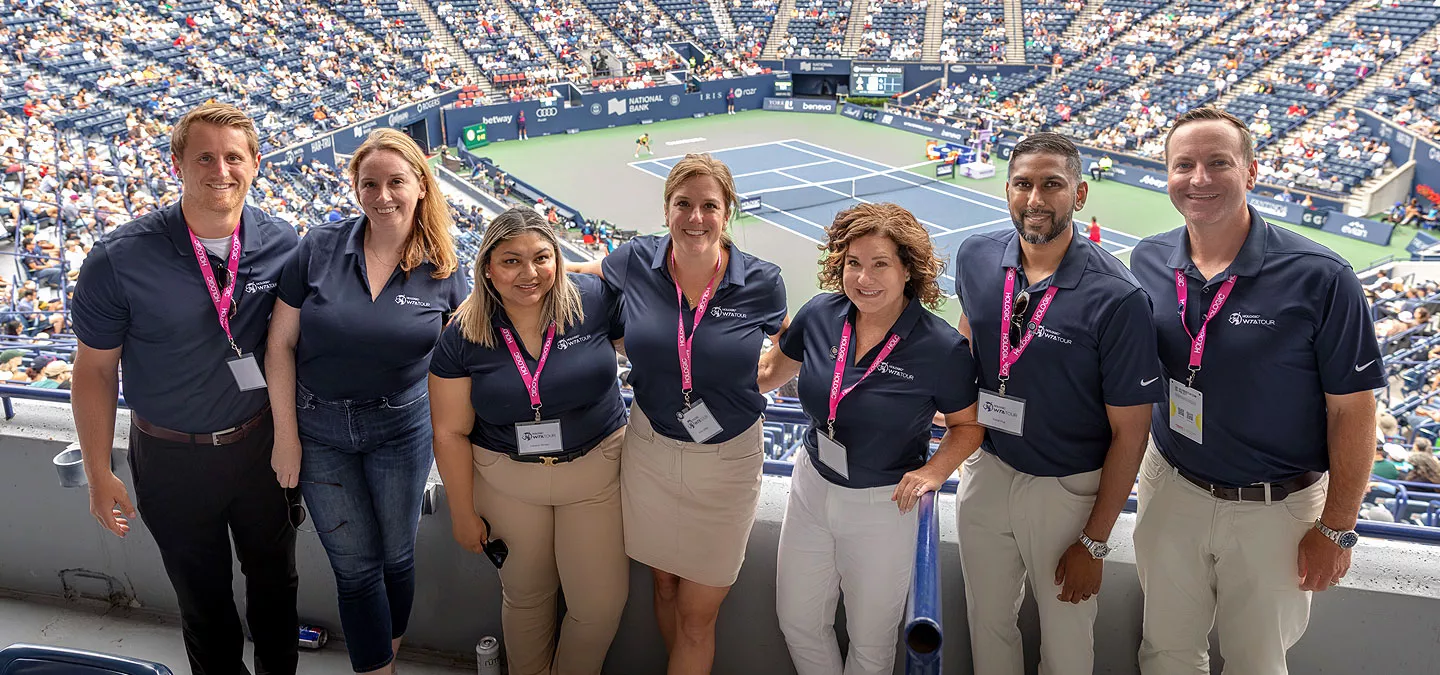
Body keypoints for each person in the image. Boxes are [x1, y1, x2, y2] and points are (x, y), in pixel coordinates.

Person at [1129, 107, 1383, 674]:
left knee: (1256, 663)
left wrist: (1337, 527)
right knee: (1166, 651)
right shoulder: (1147, 260)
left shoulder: (1322, 276)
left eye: (1218, 163)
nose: (1199, 178)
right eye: (1183, 165)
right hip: (1171, 488)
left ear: (1251, 171)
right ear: (1167, 175)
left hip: (1277, 510)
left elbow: (1353, 411)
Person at [71, 102, 300, 675]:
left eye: (234, 157)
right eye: (204, 157)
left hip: (261, 449)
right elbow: (94, 371)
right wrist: (98, 473)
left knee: (276, 588)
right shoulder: (118, 259)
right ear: (176, 164)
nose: (220, 170)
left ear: (256, 164)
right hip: (171, 457)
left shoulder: (283, 242)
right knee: (204, 604)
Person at [952, 132, 1163, 675]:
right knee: (987, 622)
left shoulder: (1119, 297)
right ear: (1006, 190)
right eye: (1022, 184)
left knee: (1066, 645)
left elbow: (1132, 433)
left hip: (1067, 491)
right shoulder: (976, 255)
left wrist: (1094, 542)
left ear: (1080, 193)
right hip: (988, 470)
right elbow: (970, 333)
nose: (1035, 199)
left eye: (1052, 184)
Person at [575, 153, 787, 673]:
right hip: (650, 450)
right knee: (664, 585)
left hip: (728, 463)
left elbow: (794, 340)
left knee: (697, 617)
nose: (696, 217)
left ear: (727, 212)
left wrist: (762, 378)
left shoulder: (762, 280)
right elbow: (572, 277)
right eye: (683, 204)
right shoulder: (634, 260)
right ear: (666, 209)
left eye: (709, 206)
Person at [265, 129, 467, 675]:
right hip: (319, 430)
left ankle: (387, 655)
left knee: (397, 555)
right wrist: (286, 437)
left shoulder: (446, 268)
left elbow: (461, 363)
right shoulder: (318, 247)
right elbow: (280, 345)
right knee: (354, 568)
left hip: (403, 428)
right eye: (370, 184)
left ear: (420, 186)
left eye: (396, 182)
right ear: (355, 187)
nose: (383, 196)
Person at [757, 203, 984, 675]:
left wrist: (934, 471)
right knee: (797, 621)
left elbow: (968, 426)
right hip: (811, 487)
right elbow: (766, 374)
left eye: (880, 264)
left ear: (908, 270)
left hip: (885, 504)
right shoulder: (820, 314)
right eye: (853, 263)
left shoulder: (942, 348)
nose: (864, 278)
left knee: (871, 643)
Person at [430, 207, 629, 675]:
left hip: (595, 475)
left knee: (599, 607)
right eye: (511, 261)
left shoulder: (593, 299)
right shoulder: (464, 331)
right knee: (526, 598)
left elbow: (657, 341)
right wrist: (462, 513)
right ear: (487, 268)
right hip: (509, 481)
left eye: (541, 257)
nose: (529, 273)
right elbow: (450, 431)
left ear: (558, 258)